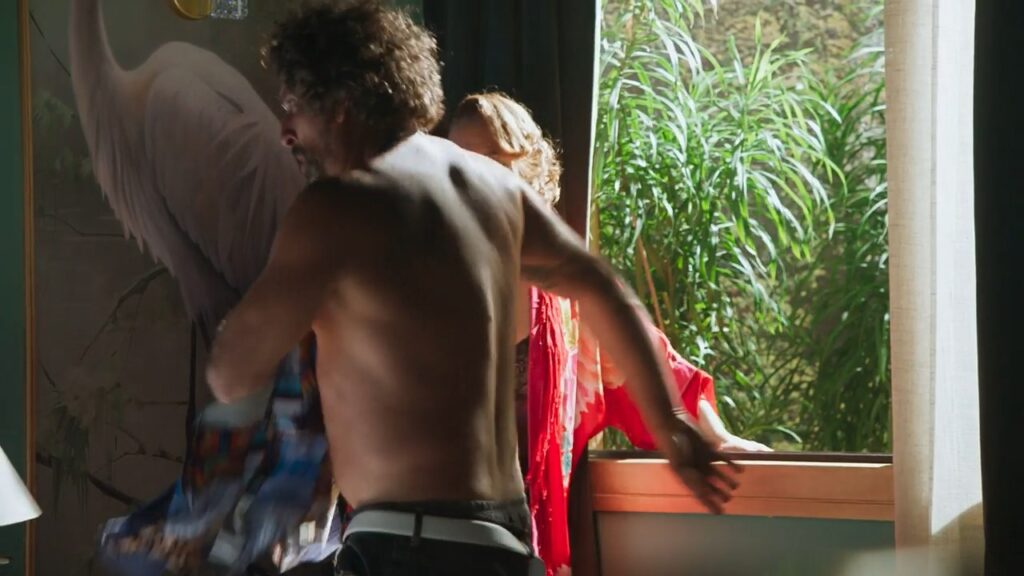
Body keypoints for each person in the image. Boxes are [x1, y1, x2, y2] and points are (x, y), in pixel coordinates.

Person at [206, 2, 739, 575]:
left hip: (406, 547)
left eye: (294, 106)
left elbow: (232, 373)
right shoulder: (494, 188)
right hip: (504, 544)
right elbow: (601, 285)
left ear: (338, 107)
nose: (285, 130)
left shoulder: (335, 207)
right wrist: (670, 422)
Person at [448, 91, 767, 574]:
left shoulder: (574, 307)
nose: (471, 176)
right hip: (428, 542)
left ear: (530, 175)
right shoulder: (425, 289)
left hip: (523, 546)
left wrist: (717, 438)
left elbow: (659, 368)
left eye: (490, 159)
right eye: (457, 163)